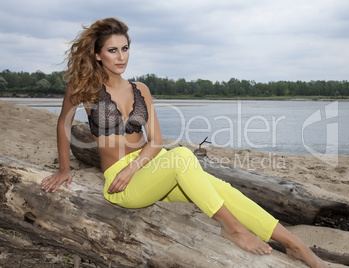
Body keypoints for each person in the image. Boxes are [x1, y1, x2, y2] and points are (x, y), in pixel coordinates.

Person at [41, 18, 327, 268]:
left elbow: (156, 141)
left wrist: (136, 167)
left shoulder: (140, 89)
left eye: (125, 49)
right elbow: (63, 123)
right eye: (112, 50)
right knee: (181, 157)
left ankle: (297, 246)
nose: (121, 57)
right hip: (120, 184)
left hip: (147, 171)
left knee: (222, 188)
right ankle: (234, 229)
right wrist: (65, 170)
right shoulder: (84, 87)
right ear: (98, 54)